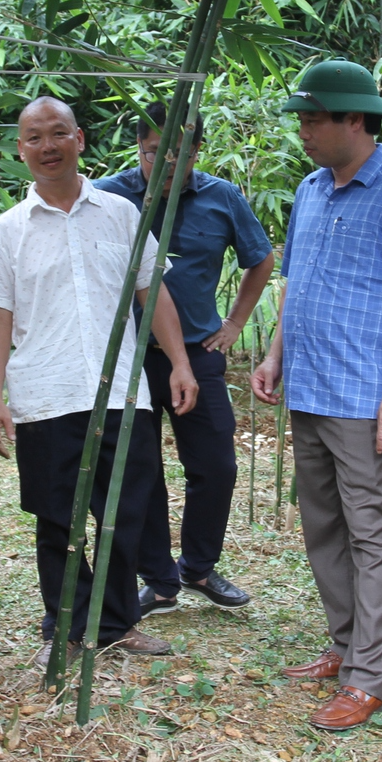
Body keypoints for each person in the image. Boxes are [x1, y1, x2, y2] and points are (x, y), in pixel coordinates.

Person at [0, 96, 199, 659]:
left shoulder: (122, 214)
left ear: (80, 140)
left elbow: (153, 292)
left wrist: (181, 363)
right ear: (20, 150)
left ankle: (118, 623)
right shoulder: (7, 232)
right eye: (34, 138)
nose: (47, 146)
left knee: (126, 514)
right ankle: (65, 627)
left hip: (122, 390)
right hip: (45, 395)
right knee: (57, 519)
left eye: (58, 134)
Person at [253, 60, 382, 732]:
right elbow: (294, 280)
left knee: (372, 532)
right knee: (323, 523)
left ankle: (369, 678)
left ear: (354, 119)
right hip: (309, 386)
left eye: (312, 118)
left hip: (363, 394)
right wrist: (274, 355)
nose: (303, 131)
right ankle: (344, 643)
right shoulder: (309, 189)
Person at [94, 102, 276, 618]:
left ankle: (199, 566)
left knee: (215, 465)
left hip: (197, 352)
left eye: (182, 153)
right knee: (139, 470)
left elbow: (259, 258)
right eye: (156, 154)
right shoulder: (109, 196)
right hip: (129, 356)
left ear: (198, 150)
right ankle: (158, 578)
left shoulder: (221, 197)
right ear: (138, 149)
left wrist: (235, 323)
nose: (169, 164)